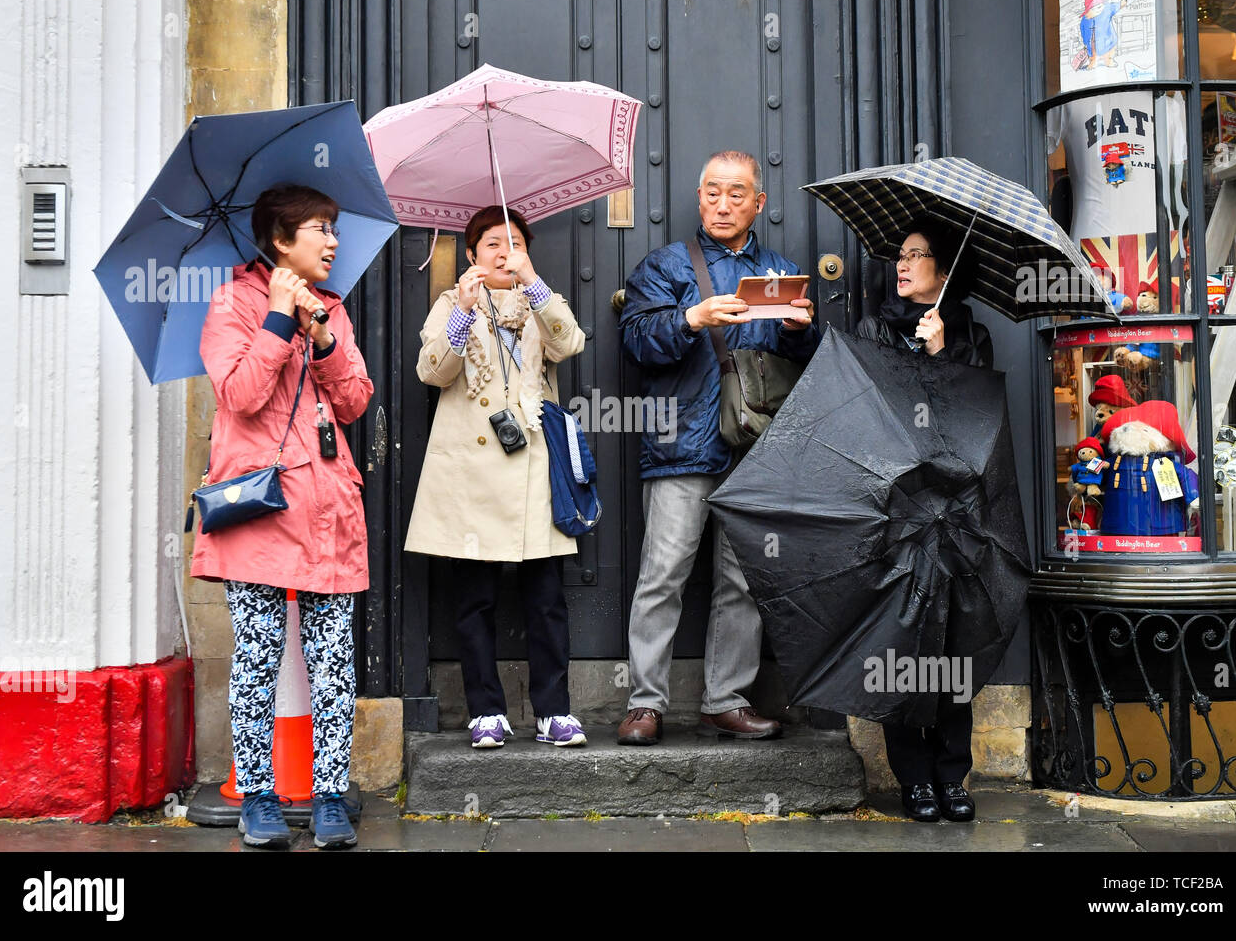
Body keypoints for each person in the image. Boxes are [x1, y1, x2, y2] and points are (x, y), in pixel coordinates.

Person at [192, 183, 374, 849]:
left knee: (332, 664)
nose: (332, 241)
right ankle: (259, 797)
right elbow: (239, 396)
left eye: (334, 228)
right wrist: (274, 321)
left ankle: (330, 795)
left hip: (327, 509)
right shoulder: (232, 302)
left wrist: (320, 334)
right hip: (260, 510)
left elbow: (354, 401)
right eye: (320, 228)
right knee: (258, 658)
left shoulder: (331, 309)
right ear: (279, 238)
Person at [616, 150, 820, 745]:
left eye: (737, 194)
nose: (723, 204)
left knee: (743, 582)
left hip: (756, 447)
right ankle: (645, 703)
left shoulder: (781, 271)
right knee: (663, 575)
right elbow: (635, 343)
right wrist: (690, 319)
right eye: (712, 192)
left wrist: (801, 333)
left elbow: (807, 370)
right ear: (699, 197)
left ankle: (725, 700)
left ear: (759, 203)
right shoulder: (666, 266)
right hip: (682, 443)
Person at [405, 205, 588, 749]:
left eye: (515, 242)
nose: (505, 251)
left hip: (533, 464)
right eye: (492, 244)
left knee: (547, 598)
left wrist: (532, 285)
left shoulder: (540, 300)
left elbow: (570, 342)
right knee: (475, 599)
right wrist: (463, 311)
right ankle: (485, 710)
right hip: (472, 469)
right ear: (471, 255)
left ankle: (554, 710)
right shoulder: (449, 304)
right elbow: (432, 372)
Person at [854, 218, 992, 822]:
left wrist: (942, 354)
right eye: (900, 256)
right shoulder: (876, 327)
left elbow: (977, 420)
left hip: (957, 511)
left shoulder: (971, 334)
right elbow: (871, 411)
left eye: (916, 256)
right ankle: (913, 776)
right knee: (902, 640)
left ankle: (951, 773)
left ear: (944, 268)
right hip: (898, 507)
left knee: (954, 642)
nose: (902, 265)